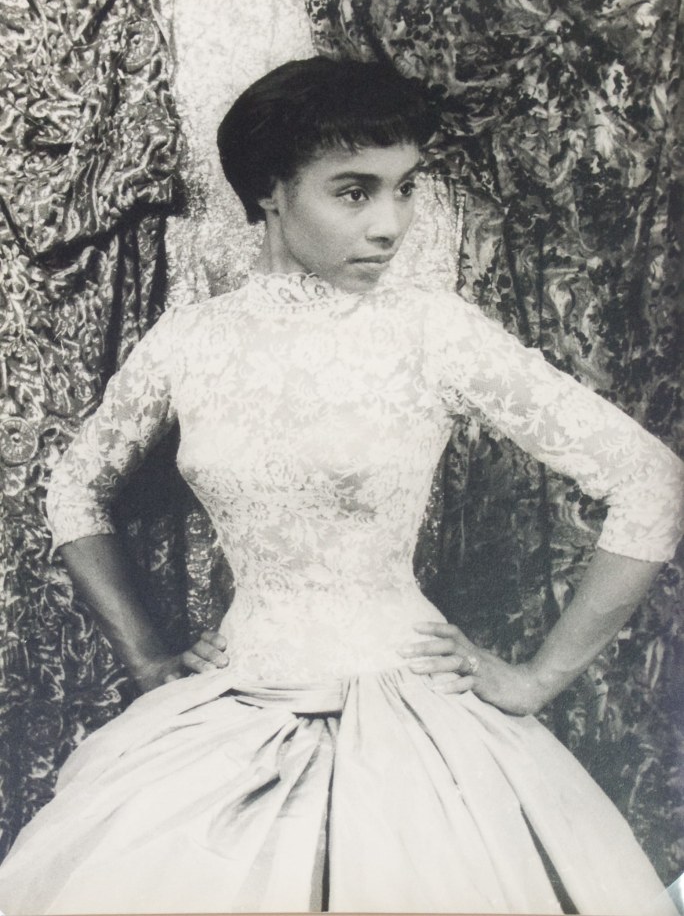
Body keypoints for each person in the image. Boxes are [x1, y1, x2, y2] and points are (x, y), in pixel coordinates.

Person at [0, 57, 682, 915]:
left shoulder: (431, 328)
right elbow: (73, 490)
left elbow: (650, 481)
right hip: (232, 712)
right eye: (354, 192)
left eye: (406, 188)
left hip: (415, 733)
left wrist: (539, 678)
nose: (391, 224)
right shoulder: (189, 344)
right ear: (271, 193)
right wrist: (146, 653)